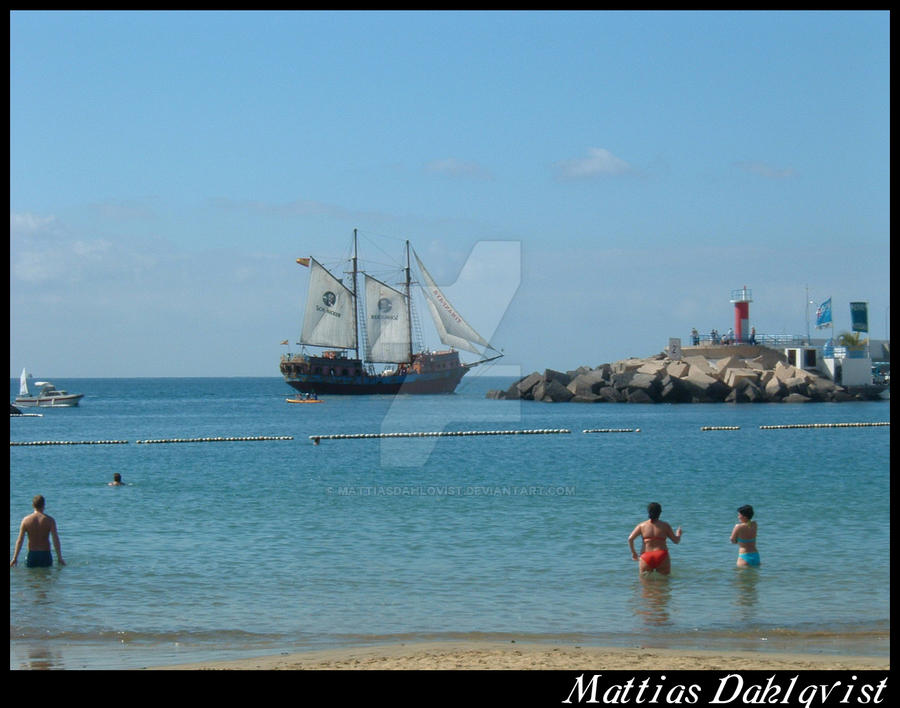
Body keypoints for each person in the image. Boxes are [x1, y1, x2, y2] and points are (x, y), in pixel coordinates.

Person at [10, 495, 65, 568]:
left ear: (33, 505)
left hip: (32, 554)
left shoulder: (26, 520)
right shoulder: (50, 520)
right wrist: (59, 557)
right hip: (45, 554)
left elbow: (20, 540)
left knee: (31, 577)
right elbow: (55, 539)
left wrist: (15, 558)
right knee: (46, 577)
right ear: (44, 505)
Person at [628, 502, 682, 575]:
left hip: (646, 555)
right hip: (661, 554)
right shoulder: (665, 525)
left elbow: (630, 539)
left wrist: (634, 553)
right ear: (660, 512)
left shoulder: (642, 525)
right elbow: (676, 541)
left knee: (645, 584)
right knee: (664, 583)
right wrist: (678, 534)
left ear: (648, 512)